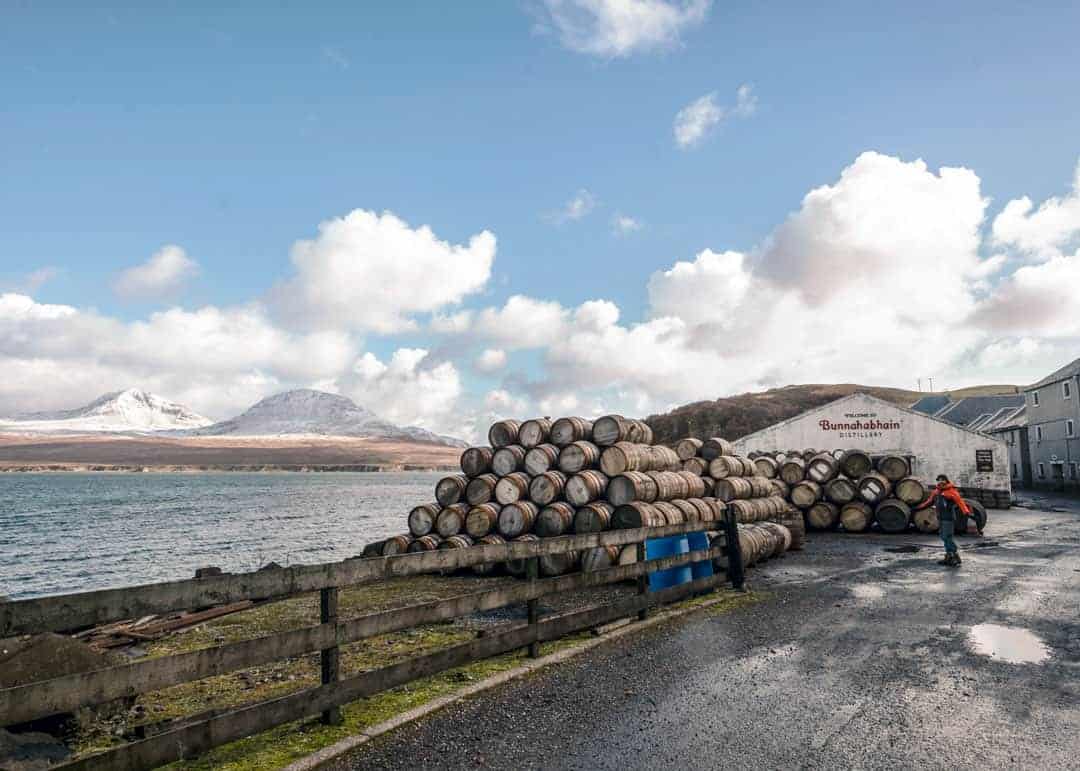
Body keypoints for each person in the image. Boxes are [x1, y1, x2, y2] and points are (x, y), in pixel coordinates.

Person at [913, 474, 971, 567]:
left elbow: (960, 502)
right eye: (939, 480)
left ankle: (953, 556)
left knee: (947, 536)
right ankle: (949, 556)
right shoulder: (936, 492)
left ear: (946, 481)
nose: (940, 481)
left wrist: (966, 511)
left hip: (949, 517)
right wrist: (918, 507)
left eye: (942, 479)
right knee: (943, 536)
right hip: (941, 518)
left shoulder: (951, 491)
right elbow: (929, 502)